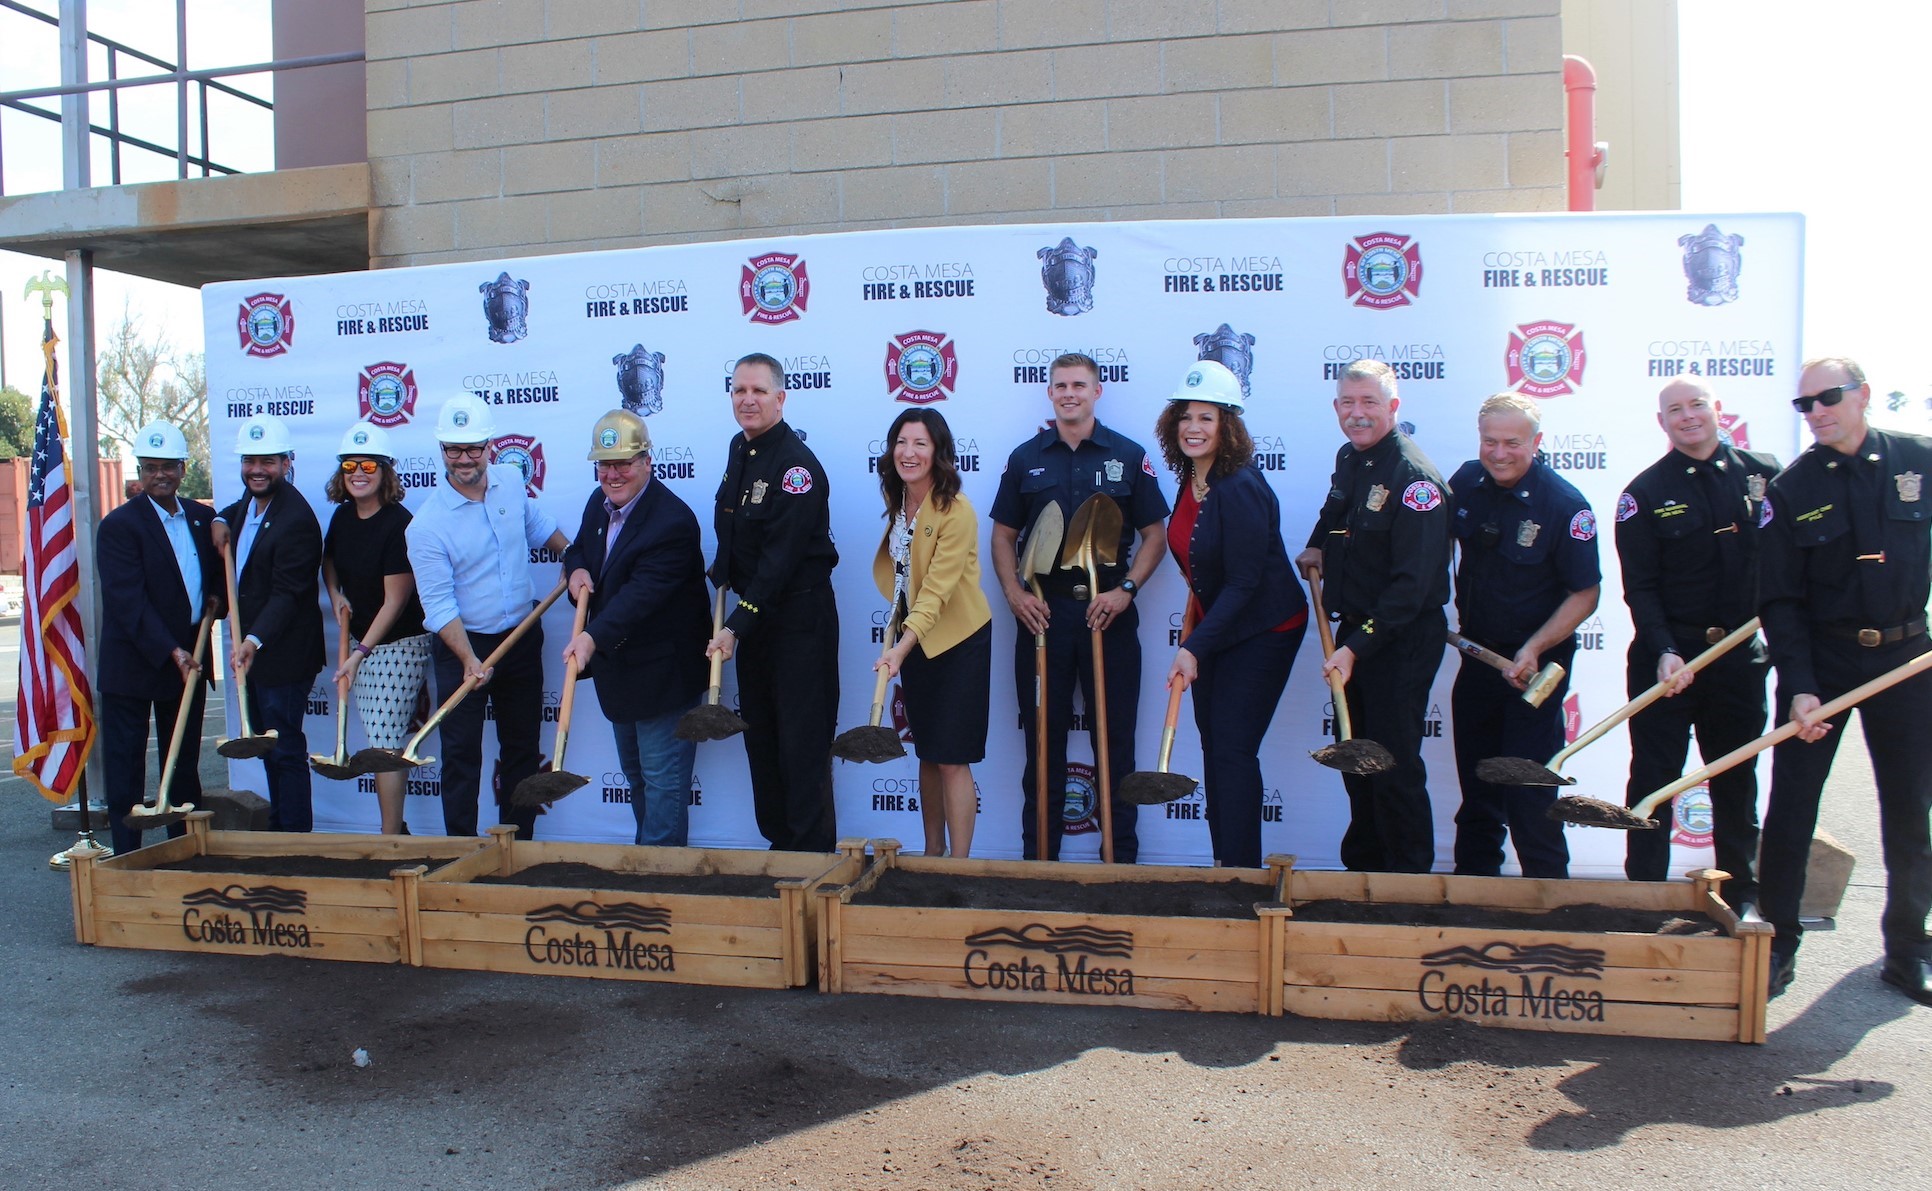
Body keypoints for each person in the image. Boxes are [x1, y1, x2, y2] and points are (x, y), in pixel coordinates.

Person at [1757, 356, 1932, 1005]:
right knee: (1793, 808)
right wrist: (1800, 685)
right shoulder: (1792, 488)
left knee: (1912, 809)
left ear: (1861, 395)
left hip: (1908, 656)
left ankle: (1909, 948)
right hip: (1823, 665)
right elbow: (1778, 598)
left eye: (1828, 397)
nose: (1817, 411)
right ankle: (1777, 944)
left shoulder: (1920, 459)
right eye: (1805, 404)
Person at [990, 352, 1168, 862]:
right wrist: (1015, 595)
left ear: (1097, 391)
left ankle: (1120, 867)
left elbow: (1155, 535)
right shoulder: (1026, 458)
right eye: (1061, 385)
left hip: (1107, 614)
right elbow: (1003, 537)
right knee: (1043, 746)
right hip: (1043, 616)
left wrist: (1126, 590)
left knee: (1115, 744)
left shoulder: (1128, 456)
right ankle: (1038, 866)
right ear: (1049, 392)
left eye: (1080, 385)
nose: (1070, 393)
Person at [1615, 379, 1780, 904]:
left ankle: (1741, 899)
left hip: (1738, 659)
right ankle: (1642, 900)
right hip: (1667, 660)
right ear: (1661, 422)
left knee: (1735, 781)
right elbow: (1639, 586)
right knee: (1653, 783)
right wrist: (1665, 649)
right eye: (1675, 411)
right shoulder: (1642, 494)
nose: (1688, 417)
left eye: (1697, 406)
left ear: (1717, 410)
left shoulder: (1767, 475)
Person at [1296, 360, 1453, 874]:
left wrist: (1354, 647)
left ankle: (1408, 886)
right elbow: (1336, 507)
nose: (1357, 414)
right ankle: (1363, 872)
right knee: (1356, 761)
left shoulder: (1415, 480)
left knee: (1391, 766)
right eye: (1348, 402)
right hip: (1357, 632)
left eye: (1369, 403)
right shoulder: (1352, 458)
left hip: (1398, 639)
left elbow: (1412, 590)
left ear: (1394, 408)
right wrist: (1318, 544)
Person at [1155, 361, 1306, 869]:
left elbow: (1244, 583)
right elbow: (1200, 568)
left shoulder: (1239, 486)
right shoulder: (1191, 478)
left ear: (1228, 427)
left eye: (1207, 418)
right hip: (1219, 627)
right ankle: (1225, 866)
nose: (1193, 428)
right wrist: (1197, 636)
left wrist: (1193, 647)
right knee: (1215, 744)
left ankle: (1242, 877)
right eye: (1186, 417)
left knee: (1232, 750)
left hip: (1265, 629)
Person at [1447, 394, 1600, 878]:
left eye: (1512, 442)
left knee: (1528, 795)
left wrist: (1533, 648)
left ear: (1536, 442)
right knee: (1477, 793)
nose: (1499, 453)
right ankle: (1473, 897)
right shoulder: (1467, 482)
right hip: (1478, 662)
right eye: (1489, 441)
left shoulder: (1565, 506)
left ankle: (1551, 908)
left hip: (1534, 675)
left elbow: (1585, 594)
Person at [406, 394, 569, 840]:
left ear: (489, 445)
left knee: (521, 748)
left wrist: (572, 557)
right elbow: (439, 607)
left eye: (473, 448)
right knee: (460, 754)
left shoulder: (511, 481)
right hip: (463, 646)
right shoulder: (426, 526)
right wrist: (467, 660)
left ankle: (518, 847)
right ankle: (459, 850)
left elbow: (537, 524)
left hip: (519, 637)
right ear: (441, 450)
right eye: (453, 449)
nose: (464, 459)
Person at [707, 353, 841, 852]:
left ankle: (810, 863)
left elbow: (780, 562)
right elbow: (734, 526)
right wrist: (723, 568)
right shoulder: (739, 449)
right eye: (739, 390)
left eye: (759, 391)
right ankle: (779, 850)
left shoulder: (796, 468)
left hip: (798, 622)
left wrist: (737, 626)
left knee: (801, 747)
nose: (748, 399)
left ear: (781, 398)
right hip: (757, 620)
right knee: (761, 740)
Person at [562, 410, 709, 846]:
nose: (613, 474)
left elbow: (640, 597)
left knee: (664, 783)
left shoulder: (673, 523)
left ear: (647, 460)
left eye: (623, 462)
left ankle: (661, 877)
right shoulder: (597, 503)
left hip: (664, 676)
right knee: (637, 778)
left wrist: (590, 637)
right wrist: (574, 571)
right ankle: (651, 865)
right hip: (620, 671)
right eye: (604, 464)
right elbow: (578, 550)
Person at [96, 420, 224, 855]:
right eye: (150, 468)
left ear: (183, 468)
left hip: (185, 665)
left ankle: (184, 852)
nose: (159, 476)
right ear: (139, 471)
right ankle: (127, 858)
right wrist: (172, 649)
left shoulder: (203, 517)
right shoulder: (119, 526)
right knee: (126, 768)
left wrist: (216, 602)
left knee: (183, 765)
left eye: (167, 466)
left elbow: (215, 583)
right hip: (135, 664)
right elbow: (126, 602)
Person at [870, 407, 993, 859]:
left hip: (957, 641)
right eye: (902, 442)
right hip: (915, 639)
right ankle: (932, 856)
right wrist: (901, 638)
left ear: (938, 452)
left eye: (920, 443)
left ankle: (959, 867)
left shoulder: (955, 510)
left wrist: (900, 648)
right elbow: (906, 580)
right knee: (926, 751)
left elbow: (937, 592)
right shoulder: (900, 499)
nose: (909, 452)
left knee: (951, 756)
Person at [213, 413, 326, 832]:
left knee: (284, 748)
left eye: (268, 462)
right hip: (257, 653)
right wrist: (219, 520)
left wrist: (252, 640)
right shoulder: (250, 503)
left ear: (287, 463)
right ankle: (279, 829)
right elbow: (232, 509)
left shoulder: (296, 519)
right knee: (268, 747)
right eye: (250, 461)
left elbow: (288, 594)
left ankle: (295, 838)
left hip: (283, 654)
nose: (257, 470)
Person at [322, 421, 431, 835]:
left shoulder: (398, 523)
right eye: (350, 464)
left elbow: (396, 601)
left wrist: (358, 654)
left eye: (369, 464)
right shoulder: (343, 516)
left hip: (398, 645)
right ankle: (394, 831)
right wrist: (335, 595)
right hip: (362, 642)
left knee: (385, 740)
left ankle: (389, 837)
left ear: (386, 471)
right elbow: (328, 561)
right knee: (377, 735)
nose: (358, 472)